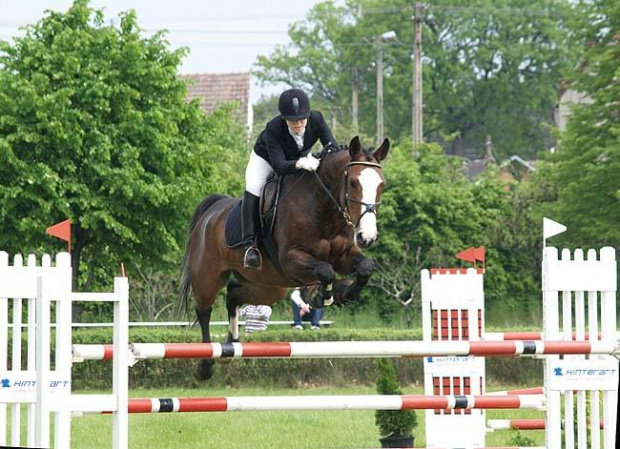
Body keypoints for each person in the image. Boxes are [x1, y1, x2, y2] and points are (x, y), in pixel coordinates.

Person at [242, 88, 338, 270]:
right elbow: (279, 165)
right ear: (284, 118)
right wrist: (300, 164)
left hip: (299, 157)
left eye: (302, 119)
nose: (298, 123)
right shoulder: (273, 129)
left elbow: (331, 146)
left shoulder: (317, 119)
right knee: (254, 187)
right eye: (293, 120)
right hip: (266, 159)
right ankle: (249, 245)